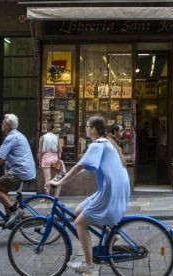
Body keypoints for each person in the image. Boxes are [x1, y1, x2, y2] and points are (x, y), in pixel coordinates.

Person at [47, 115, 130, 275]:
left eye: (87, 126)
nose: (85, 128)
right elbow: (87, 168)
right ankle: (110, 234)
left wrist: (59, 183)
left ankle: (89, 265)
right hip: (115, 187)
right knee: (78, 211)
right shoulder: (107, 142)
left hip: (110, 191)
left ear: (93, 129)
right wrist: (65, 177)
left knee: (79, 223)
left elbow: (79, 166)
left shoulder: (97, 144)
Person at [37, 123, 63, 196]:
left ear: (46, 129)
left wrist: (39, 162)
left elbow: (40, 151)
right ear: (53, 129)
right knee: (57, 178)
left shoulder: (43, 137)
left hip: (46, 157)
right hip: (55, 157)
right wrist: (59, 159)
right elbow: (60, 150)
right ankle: (56, 196)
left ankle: (47, 197)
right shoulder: (56, 137)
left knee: (47, 178)